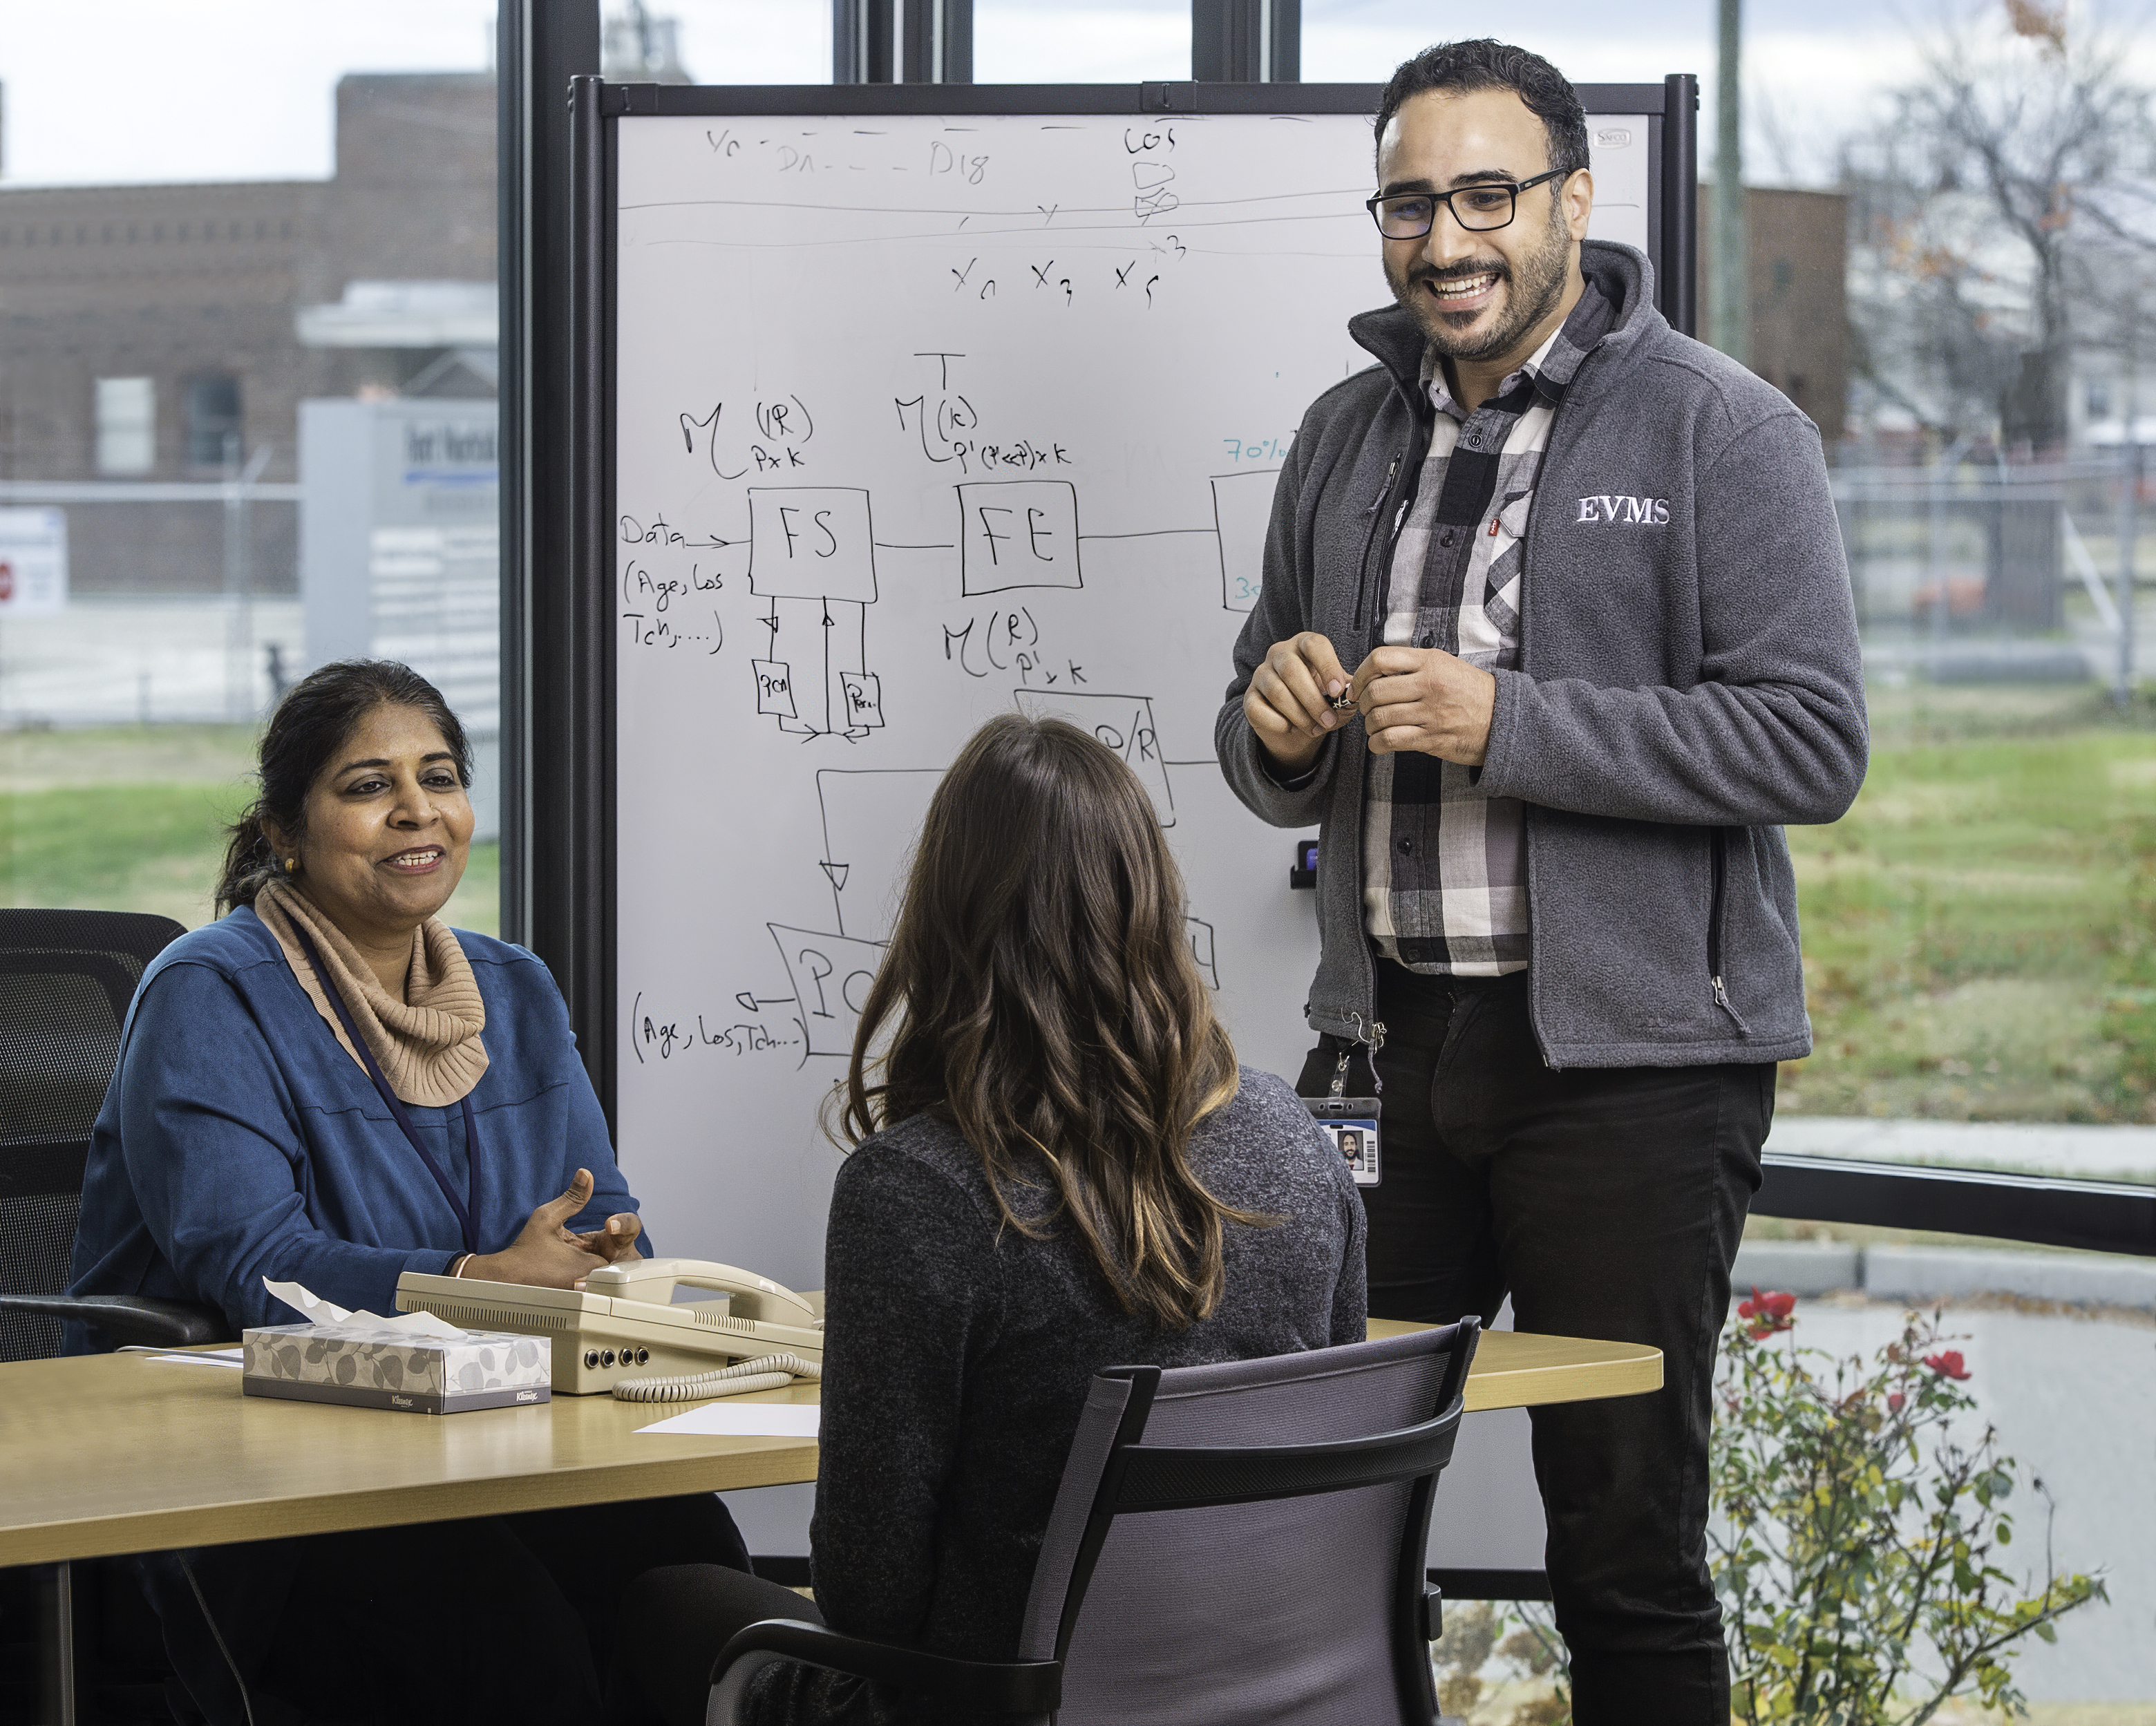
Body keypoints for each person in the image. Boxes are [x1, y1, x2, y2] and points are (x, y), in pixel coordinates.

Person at [1216, 39, 1867, 1725]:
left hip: (1635, 1077)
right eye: (1410, 201)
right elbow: (1261, 735)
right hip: (1381, 1061)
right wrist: (1277, 727)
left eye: (1486, 195)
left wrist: (1513, 722)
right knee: (1318, 1520)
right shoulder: (1342, 437)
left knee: (1624, 1553)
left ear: (1576, 199)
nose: (1447, 240)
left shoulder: (1727, 429)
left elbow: (1811, 745)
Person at [607, 713, 1367, 1726]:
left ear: (944, 915)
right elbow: (1336, 1463)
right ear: (1155, 900)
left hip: (998, 1700)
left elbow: (870, 1596)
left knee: (660, 1598)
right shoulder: (1297, 1142)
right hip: (1266, 1686)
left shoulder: (917, 1188)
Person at [66, 659, 754, 1726]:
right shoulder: (208, 993)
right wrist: (482, 1278)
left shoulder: (515, 988)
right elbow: (250, 1263)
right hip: (262, 1462)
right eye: (366, 785)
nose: (415, 809)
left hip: (480, 1435)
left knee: (689, 1563)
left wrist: (601, 1260)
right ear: (285, 831)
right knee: (510, 1643)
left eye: (439, 775)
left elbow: (604, 1217)